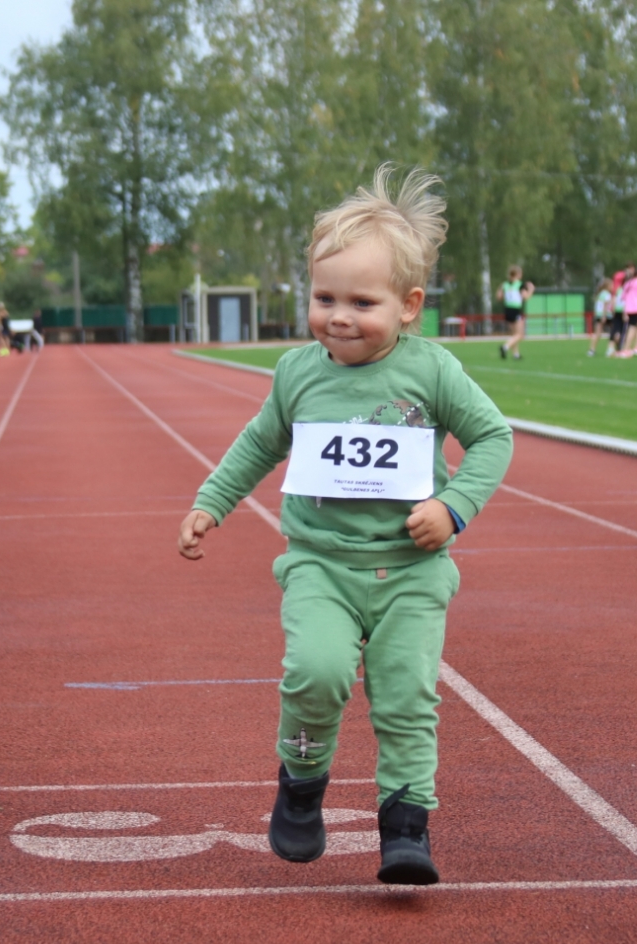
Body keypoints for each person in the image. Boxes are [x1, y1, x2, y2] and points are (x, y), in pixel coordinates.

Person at [176, 165, 512, 886]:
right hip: (320, 563)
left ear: (410, 305)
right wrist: (212, 501)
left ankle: (405, 824)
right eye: (324, 297)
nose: (338, 315)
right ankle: (301, 784)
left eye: (362, 301)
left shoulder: (434, 372)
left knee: (405, 696)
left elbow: (494, 438)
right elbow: (260, 442)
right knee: (316, 672)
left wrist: (453, 509)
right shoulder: (297, 372)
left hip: (412, 570)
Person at [496, 265, 533, 360]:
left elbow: (499, 297)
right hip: (516, 310)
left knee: (514, 334)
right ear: (518, 274)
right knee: (520, 335)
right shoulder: (520, 285)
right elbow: (526, 297)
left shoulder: (505, 285)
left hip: (507, 310)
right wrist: (531, 290)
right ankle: (505, 346)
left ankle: (516, 354)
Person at [587, 278, 614, 357]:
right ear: (608, 286)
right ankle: (611, 349)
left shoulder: (600, 294)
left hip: (598, 315)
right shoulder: (607, 294)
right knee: (614, 332)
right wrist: (604, 316)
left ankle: (592, 350)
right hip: (606, 315)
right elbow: (605, 305)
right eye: (612, 285)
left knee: (597, 333)